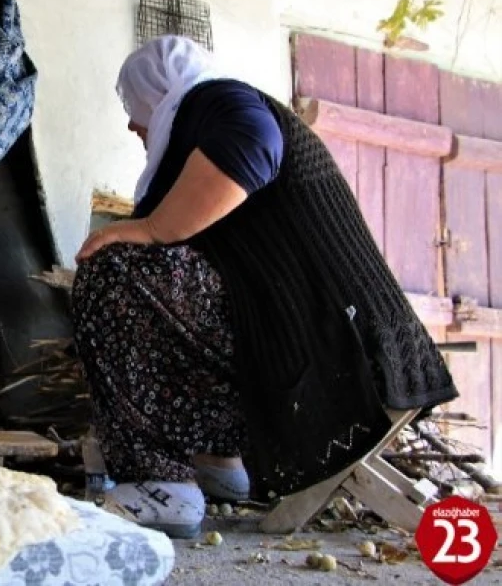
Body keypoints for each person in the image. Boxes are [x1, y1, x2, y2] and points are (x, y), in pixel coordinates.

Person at [72, 36, 457, 538]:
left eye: (133, 102)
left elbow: (253, 142)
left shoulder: (220, 101)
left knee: (115, 269)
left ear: (159, 90)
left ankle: (160, 482)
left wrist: (150, 229)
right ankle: (220, 460)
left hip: (339, 348)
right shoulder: (208, 117)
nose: (130, 121)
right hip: (343, 340)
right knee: (152, 273)